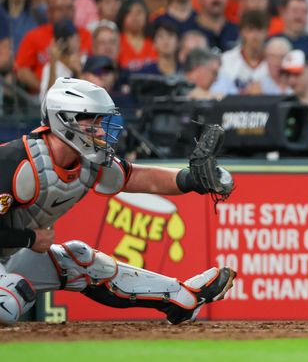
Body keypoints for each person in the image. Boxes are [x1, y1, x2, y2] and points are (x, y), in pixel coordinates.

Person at [0, 77, 236, 326]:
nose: (101, 131)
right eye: (93, 122)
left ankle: (182, 299)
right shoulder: (13, 162)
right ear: (65, 119)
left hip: (8, 257)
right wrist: (30, 239)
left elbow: (140, 178)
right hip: (14, 252)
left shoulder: (87, 163)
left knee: (81, 259)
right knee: (9, 303)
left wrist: (192, 180)